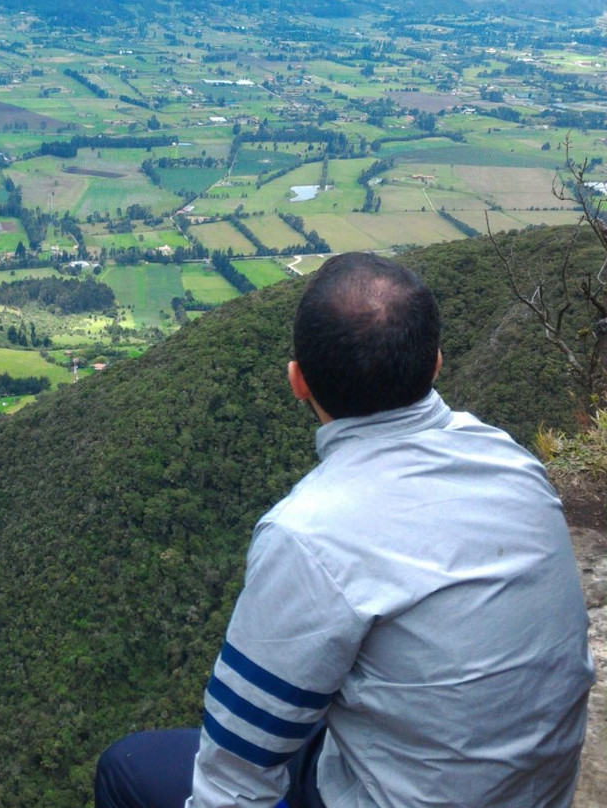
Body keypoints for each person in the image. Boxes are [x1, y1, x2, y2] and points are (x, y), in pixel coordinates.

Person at [94, 252, 595, 808]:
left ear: (297, 382)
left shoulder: (310, 535)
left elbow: (232, 785)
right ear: (436, 363)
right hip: (533, 793)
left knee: (128, 767)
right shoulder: (511, 462)